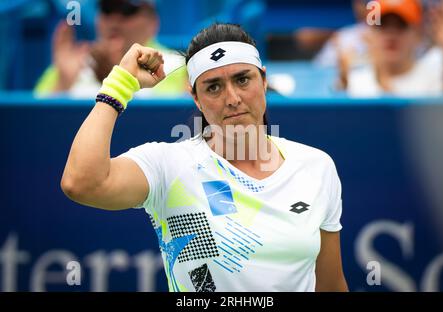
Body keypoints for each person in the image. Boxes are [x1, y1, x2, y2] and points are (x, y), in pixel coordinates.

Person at [60, 23, 348, 292]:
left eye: (243, 79)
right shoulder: (168, 166)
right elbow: (81, 183)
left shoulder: (316, 166)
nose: (232, 97)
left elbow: (331, 284)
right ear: (196, 98)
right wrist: (120, 85)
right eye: (213, 87)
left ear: (263, 80)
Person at [34, 0, 187, 98]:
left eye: (127, 11)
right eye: (107, 9)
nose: (115, 20)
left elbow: (163, 124)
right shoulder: (69, 62)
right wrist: (63, 83)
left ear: (153, 22)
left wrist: (118, 78)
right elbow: (33, 123)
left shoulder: (178, 66)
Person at [345, 0, 443, 97]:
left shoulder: (435, 68)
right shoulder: (356, 76)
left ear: (417, 33)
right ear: (370, 32)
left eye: (401, 25)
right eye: (383, 25)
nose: (391, 34)